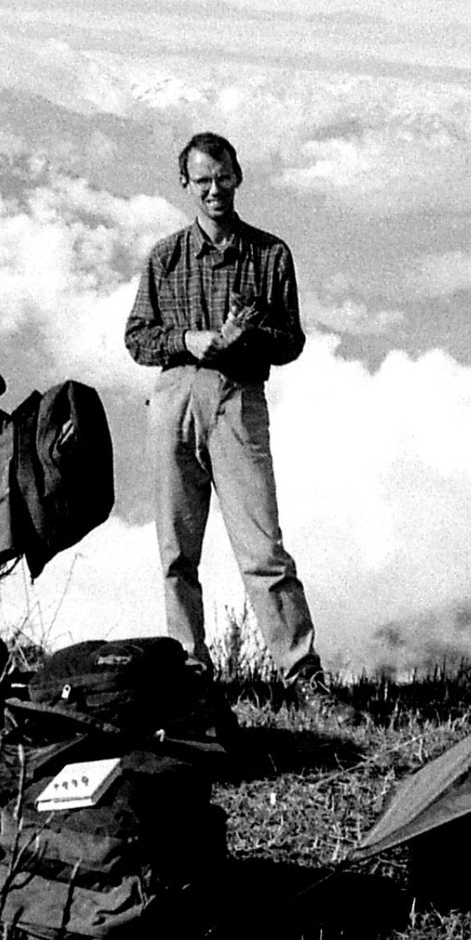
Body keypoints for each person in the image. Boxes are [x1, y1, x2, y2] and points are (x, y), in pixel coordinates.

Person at [125, 132, 326, 687]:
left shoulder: (270, 255)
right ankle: (188, 664)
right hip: (174, 398)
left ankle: (298, 668)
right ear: (185, 185)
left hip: (238, 399)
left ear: (238, 176)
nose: (215, 190)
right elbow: (137, 338)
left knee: (262, 545)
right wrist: (188, 341)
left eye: (224, 177)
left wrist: (246, 337)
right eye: (203, 180)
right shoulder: (165, 257)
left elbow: (291, 342)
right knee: (176, 547)